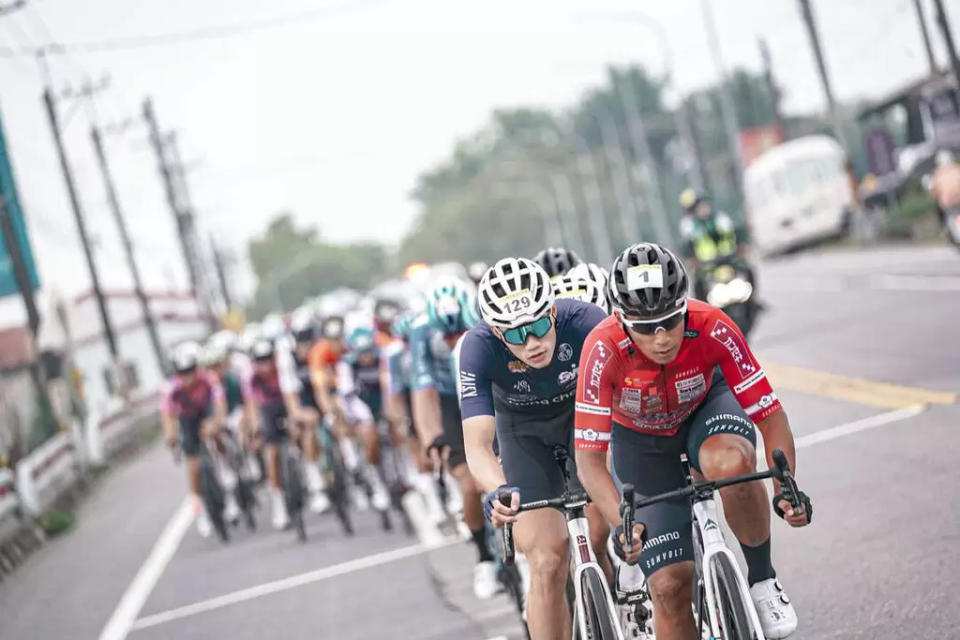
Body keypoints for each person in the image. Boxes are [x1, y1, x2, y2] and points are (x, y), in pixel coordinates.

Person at [574, 242, 811, 640]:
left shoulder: (713, 324)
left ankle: (762, 579)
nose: (662, 337)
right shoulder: (601, 350)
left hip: (706, 409)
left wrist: (785, 486)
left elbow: (769, 415)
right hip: (642, 442)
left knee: (730, 463)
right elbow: (590, 463)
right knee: (667, 588)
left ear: (685, 305)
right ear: (621, 319)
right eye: (645, 328)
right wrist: (623, 523)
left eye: (670, 321)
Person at [459, 258, 611, 640]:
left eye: (541, 326)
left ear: (554, 311)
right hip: (524, 434)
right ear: (495, 331)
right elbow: (477, 446)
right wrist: (498, 488)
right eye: (516, 335)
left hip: (586, 419)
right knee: (546, 561)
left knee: (612, 525)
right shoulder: (477, 348)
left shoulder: (586, 320)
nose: (532, 343)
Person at [410, 279, 495, 598]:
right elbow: (423, 393)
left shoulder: (479, 317)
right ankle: (484, 557)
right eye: (445, 336)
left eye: (458, 333)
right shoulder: (421, 332)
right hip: (447, 398)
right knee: (470, 484)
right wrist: (432, 438)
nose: (452, 341)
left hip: (483, 387)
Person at [243, 337, 328, 530]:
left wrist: (294, 417)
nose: (265, 365)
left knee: (303, 429)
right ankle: (279, 503)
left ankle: (312, 475)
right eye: (260, 360)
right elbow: (252, 404)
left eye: (268, 359)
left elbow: (292, 394)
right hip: (267, 409)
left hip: (287, 402)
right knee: (271, 453)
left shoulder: (283, 365)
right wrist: (255, 426)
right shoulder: (251, 376)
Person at [160, 341, 229, 537]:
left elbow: (219, 402)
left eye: (190, 371)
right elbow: (167, 415)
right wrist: (171, 436)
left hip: (206, 411)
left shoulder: (209, 379)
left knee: (215, 432)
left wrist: (217, 422)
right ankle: (201, 510)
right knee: (193, 465)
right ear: (176, 373)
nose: (187, 377)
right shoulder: (170, 388)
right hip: (187, 418)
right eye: (183, 373)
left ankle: (226, 471)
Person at [336, 326, 391, 511]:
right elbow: (348, 397)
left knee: (399, 425)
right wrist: (364, 419)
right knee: (369, 436)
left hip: (380, 401)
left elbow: (390, 386)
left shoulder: (382, 357)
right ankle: (376, 483)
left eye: (369, 352)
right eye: (362, 353)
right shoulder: (346, 365)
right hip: (358, 407)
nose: (366, 357)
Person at [677, 189, 745, 299]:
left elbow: (737, 232)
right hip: (707, 268)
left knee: (746, 271)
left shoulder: (721, 218)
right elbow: (686, 247)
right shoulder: (689, 227)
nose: (702, 208)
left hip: (730, 261)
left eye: (703, 205)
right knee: (699, 286)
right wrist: (691, 261)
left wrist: (742, 247)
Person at [930, 149, 960, 244]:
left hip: (948, 204)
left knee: (940, 212)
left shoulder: (938, 174)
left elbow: (934, 192)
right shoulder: (957, 169)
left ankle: (943, 228)